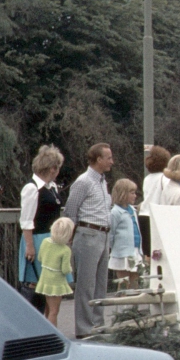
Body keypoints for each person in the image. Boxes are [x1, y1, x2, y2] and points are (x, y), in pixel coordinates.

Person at [64, 142, 114, 338]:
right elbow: (71, 210)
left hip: (104, 234)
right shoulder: (83, 181)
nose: (112, 161)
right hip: (88, 234)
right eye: (108, 158)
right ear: (98, 159)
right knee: (86, 284)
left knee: (101, 283)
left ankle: (98, 324)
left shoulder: (102, 182)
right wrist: (71, 237)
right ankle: (84, 329)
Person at [18, 145, 64, 304]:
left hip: (52, 241)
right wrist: (30, 246)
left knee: (50, 288)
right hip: (37, 240)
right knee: (36, 285)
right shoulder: (32, 188)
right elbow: (26, 220)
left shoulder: (52, 188)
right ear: (52, 168)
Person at [35, 217, 75, 329]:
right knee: (54, 311)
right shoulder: (65, 250)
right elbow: (65, 270)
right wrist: (70, 269)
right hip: (56, 283)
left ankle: (45, 330)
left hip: (45, 279)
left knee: (47, 310)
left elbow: (40, 258)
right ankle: (53, 334)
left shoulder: (45, 242)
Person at [109, 178, 141, 291]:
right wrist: (115, 249)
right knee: (123, 283)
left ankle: (133, 308)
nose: (135, 196)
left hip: (135, 250)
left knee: (135, 282)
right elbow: (111, 234)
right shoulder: (115, 212)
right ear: (123, 194)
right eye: (132, 193)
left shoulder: (133, 210)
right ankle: (122, 308)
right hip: (122, 254)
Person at [138, 145, 170, 257]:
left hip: (143, 215)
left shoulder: (147, 178)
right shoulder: (165, 179)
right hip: (155, 216)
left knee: (148, 253)